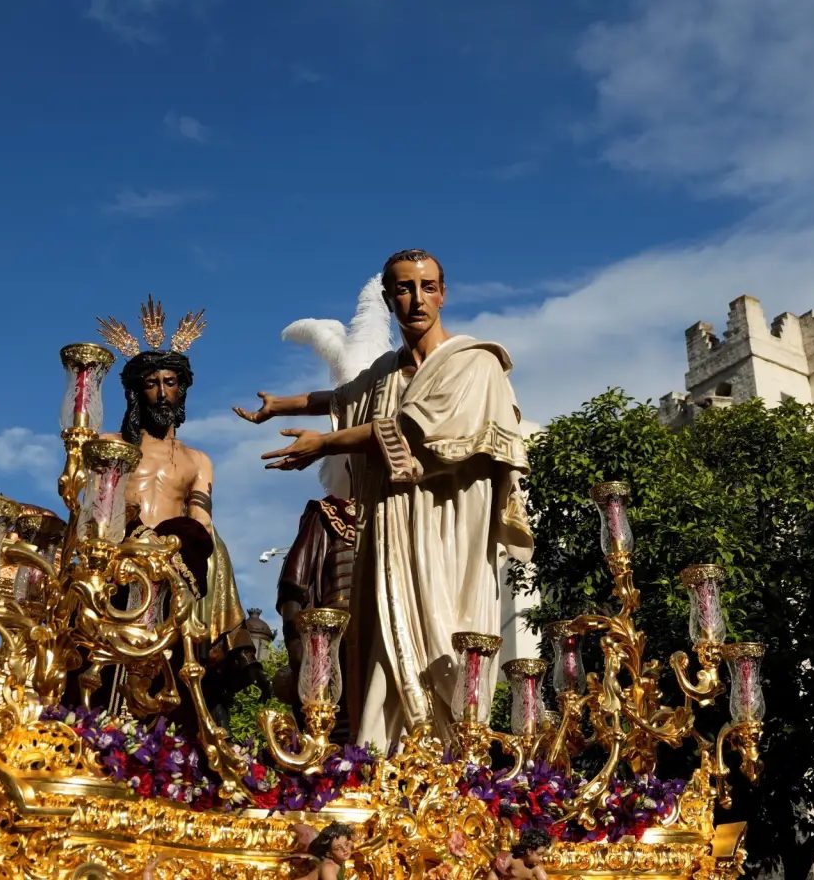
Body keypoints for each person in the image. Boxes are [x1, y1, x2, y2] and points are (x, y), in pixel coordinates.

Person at [238, 249, 533, 747]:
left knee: (447, 635)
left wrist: (325, 444)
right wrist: (281, 405)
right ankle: (382, 755)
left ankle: (454, 753)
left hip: (449, 529)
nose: (416, 299)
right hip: (389, 524)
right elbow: (345, 398)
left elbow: (416, 430)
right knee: (384, 639)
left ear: (443, 293)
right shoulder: (386, 373)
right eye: (403, 288)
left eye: (427, 287)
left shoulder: (474, 363)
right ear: (388, 297)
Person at [96, 299, 248, 661]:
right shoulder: (110, 446)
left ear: (182, 389)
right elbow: (85, 504)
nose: (162, 393)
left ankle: (226, 641)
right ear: (137, 392)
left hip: (173, 564)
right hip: (116, 557)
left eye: (170, 382)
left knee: (215, 544)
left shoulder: (197, 460)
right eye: (152, 384)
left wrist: (172, 552)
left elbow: (200, 519)